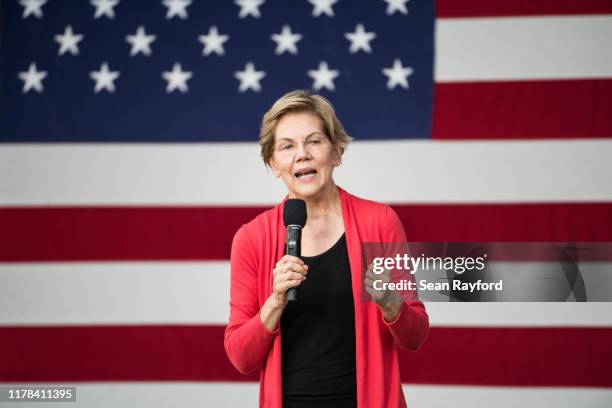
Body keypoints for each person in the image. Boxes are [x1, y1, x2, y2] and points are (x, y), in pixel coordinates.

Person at [224, 90, 429, 408]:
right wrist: (275, 301)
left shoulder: (380, 221)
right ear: (273, 163)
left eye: (314, 141)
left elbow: (415, 337)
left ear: (336, 153)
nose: (302, 154)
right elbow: (241, 357)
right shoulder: (251, 238)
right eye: (287, 146)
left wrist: (390, 302)